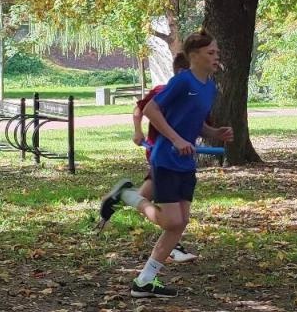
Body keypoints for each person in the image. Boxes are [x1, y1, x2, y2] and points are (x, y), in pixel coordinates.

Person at [97, 31, 231, 298]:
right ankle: (127, 195)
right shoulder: (182, 82)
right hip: (166, 158)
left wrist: (214, 133)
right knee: (172, 221)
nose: (216, 57)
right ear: (194, 56)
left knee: (180, 223)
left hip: (185, 162)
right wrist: (176, 139)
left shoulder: (210, 86)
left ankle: (145, 281)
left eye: (217, 53)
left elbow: (194, 121)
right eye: (210, 53)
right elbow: (151, 110)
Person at [95, 51, 196, 263]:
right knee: (171, 209)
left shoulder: (194, 94)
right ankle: (173, 245)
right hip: (163, 156)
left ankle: (122, 195)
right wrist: (138, 132)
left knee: (146, 198)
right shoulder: (164, 90)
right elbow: (139, 109)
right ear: (182, 72)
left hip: (178, 159)